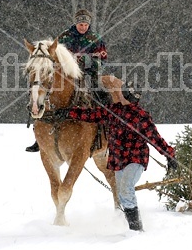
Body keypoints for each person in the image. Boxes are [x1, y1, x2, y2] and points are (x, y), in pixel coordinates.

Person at [54, 81, 177, 231]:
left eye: (122, 92)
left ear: (128, 96)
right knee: (122, 194)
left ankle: (136, 228)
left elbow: (156, 139)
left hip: (135, 159)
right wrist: (68, 113)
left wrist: (169, 155)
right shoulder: (114, 110)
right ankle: (132, 225)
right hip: (118, 161)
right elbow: (91, 115)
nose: (118, 93)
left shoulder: (141, 117)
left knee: (125, 189)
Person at [26, 8, 109, 153]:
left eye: (85, 25)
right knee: (46, 95)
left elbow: (102, 59)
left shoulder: (96, 39)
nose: (83, 27)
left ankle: (105, 128)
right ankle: (40, 136)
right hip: (67, 74)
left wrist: (84, 60)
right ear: (75, 23)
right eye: (80, 24)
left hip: (88, 73)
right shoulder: (64, 37)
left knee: (101, 94)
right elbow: (55, 56)